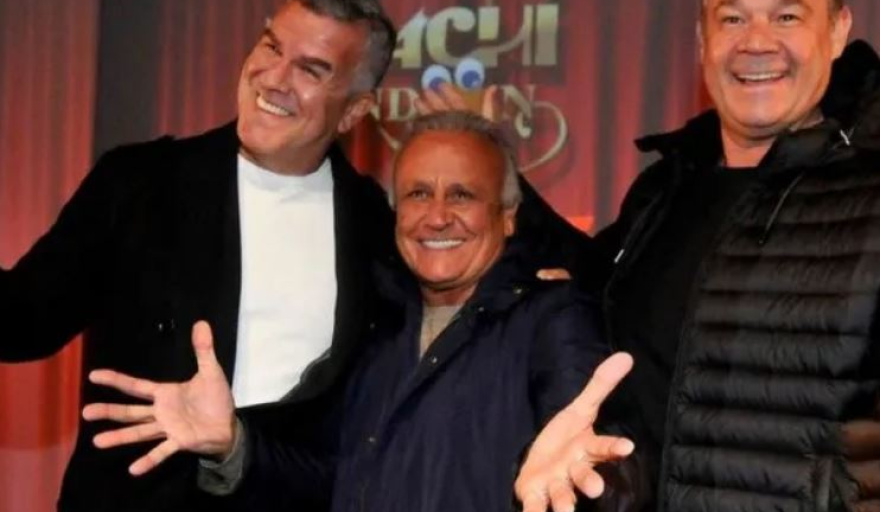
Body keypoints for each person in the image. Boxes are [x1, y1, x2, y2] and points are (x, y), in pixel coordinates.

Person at [0, 1, 601, 510]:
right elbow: (21, 320)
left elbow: (545, 261)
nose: (273, 78)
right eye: (271, 47)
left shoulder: (376, 225)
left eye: (311, 69)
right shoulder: (139, 184)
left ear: (355, 111)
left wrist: (537, 268)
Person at [81, 111, 636, 512]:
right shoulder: (376, 329)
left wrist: (596, 480)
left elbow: (598, 460)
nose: (436, 216)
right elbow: (331, 481)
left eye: (462, 195)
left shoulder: (552, 317)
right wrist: (233, 445)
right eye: (417, 194)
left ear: (508, 215)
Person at [516, 0, 880, 510]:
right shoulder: (662, 193)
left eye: (787, 17)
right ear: (703, 38)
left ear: (838, 31)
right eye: (732, 18)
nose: (757, 41)